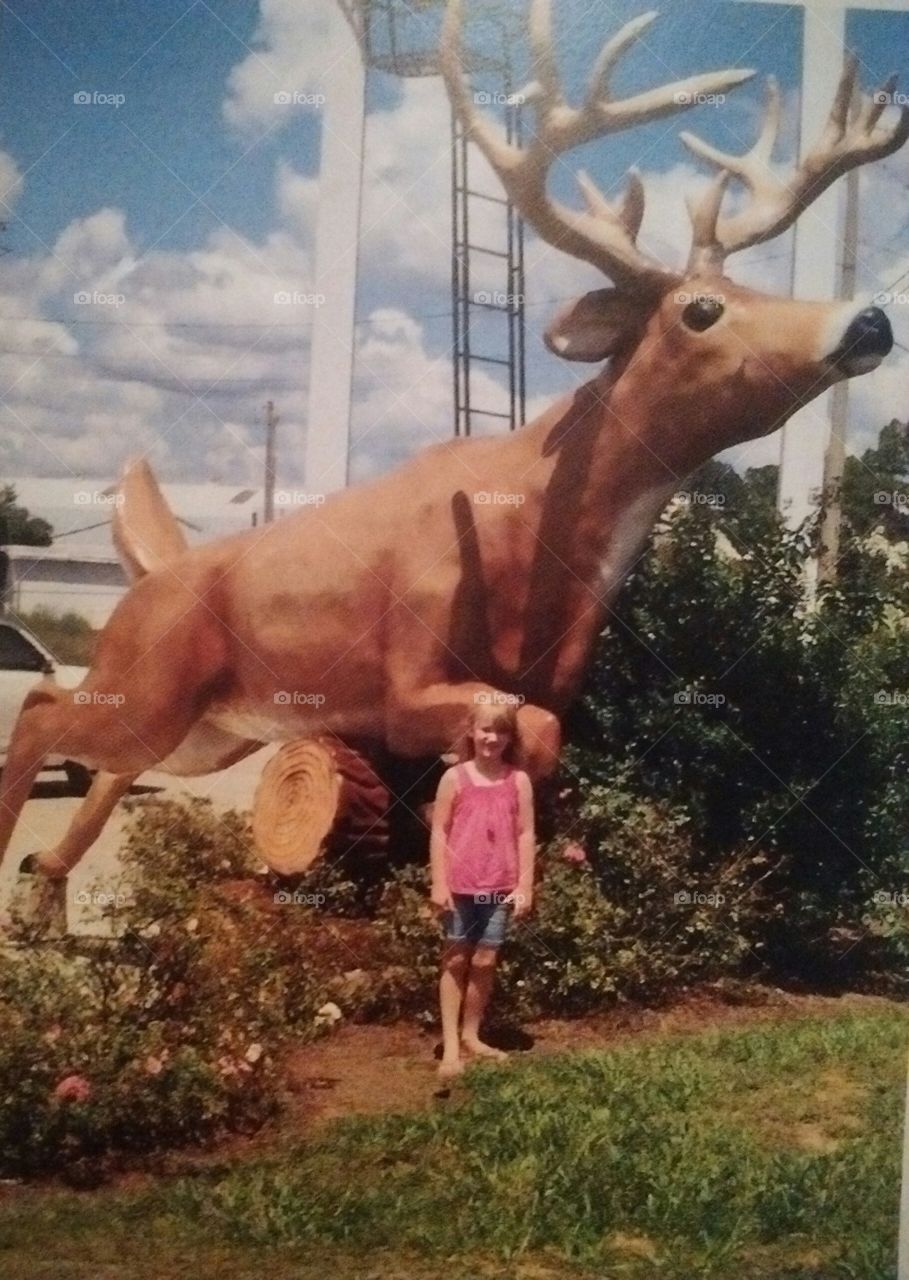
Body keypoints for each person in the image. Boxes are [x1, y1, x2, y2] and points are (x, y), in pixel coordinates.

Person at [429, 700, 536, 1081]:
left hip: (500, 887)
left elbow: (526, 834)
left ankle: (471, 1035)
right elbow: (439, 831)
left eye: (501, 731)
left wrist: (524, 885)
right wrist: (439, 882)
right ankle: (450, 1047)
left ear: (510, 737)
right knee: (456, 960)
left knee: (485, 961)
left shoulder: (518, 781)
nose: (492, 738)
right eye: (486, 730)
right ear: (472, 732)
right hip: (459, 886)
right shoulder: (454, 778)